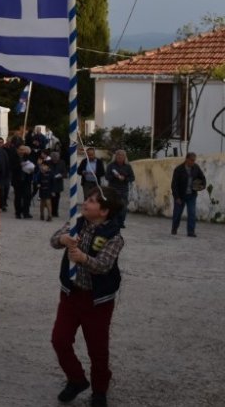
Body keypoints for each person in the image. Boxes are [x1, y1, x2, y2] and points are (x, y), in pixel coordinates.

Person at [50, 186, 125, 407]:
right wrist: (64, 239)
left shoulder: (114, 236)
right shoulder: (76, 222)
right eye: (88, 198)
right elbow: (53, 240)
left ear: (104, 211)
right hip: (71, 294)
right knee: (60, 339)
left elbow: (103, 265)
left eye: (92, 201)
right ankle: (76, 379)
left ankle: (100, 390)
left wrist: (83, 258)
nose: (86, 202)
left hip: (97, 301)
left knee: (97, 348)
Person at [171, 152, 207, 237]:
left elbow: (202, 178)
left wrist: (202, 186)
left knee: (192, 213)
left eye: (194, 160)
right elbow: (174, 185)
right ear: (186, 159)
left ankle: (191, 232)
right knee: (177, 214)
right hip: (180, 195)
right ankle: (174, 228)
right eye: (191, 160)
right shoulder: (178, 169)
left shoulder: (196, 168)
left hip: (192, 195)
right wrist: (177, 197)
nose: (193, 162)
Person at [105, 149, 135, 228]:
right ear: (115, 156)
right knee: (112, 206)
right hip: (112, 189)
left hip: (123, 190)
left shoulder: (128, 166)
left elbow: (132, 178)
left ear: (124, 157)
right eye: (118, 155)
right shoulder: (111, 166)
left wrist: (124, 178)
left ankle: (121, 222)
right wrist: (114, 177)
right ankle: (112, 221)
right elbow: (107, 177)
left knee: (123, 207)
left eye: (122, 156)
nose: (120, 157)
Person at [13, 145, 35, 218]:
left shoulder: (28, 157)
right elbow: (12, 167)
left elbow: (33, 165)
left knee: (27, 196)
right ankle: (18, 213)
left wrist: (31, 170)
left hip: (27, 180)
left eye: (23, 150)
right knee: (18, 197)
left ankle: (26, 212)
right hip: (18, 180)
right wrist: (20, 165)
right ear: (18, 150)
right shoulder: (14, 157)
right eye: (21, 149)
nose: (22, 151)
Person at [49, 151, 67, 218]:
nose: (55, 161)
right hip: (50, 183)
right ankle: (50, 211)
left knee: (56, 199)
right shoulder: (48, 162)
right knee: (50, 198)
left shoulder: (62, 162)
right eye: (53, 160)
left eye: (56, 160)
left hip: (58, 183)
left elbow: (65, 173)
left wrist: (61, 175)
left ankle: (55, 212)